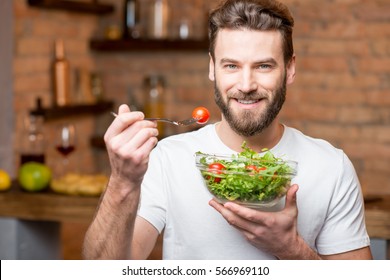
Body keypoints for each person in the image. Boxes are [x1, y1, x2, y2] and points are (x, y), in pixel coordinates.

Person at [83, 0, 372, 260]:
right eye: (231, 65)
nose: (246, 85)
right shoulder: (167, 159)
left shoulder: (332, 166)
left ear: (290, 69)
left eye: (263, 66)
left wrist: (292, 250)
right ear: (212, 68)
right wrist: (122, 181)